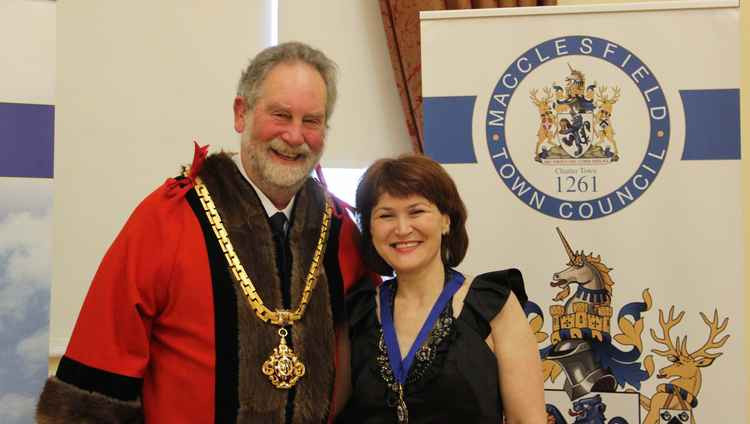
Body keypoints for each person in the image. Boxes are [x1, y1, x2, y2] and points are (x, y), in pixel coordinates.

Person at [36, 42, 370, 423]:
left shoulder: (340, 230)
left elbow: (371, 364)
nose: (295, 136)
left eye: (311, 120)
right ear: (241, 113)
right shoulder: (167, 219)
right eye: (280, 114)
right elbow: (99, 374)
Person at [339, 154, 546, 423]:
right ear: (369, 227)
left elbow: (526, 420)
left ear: (446, 220)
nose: (402, 229)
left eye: (417, 211)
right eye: (386, 215)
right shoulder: (357, 311)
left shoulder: (493, 305)